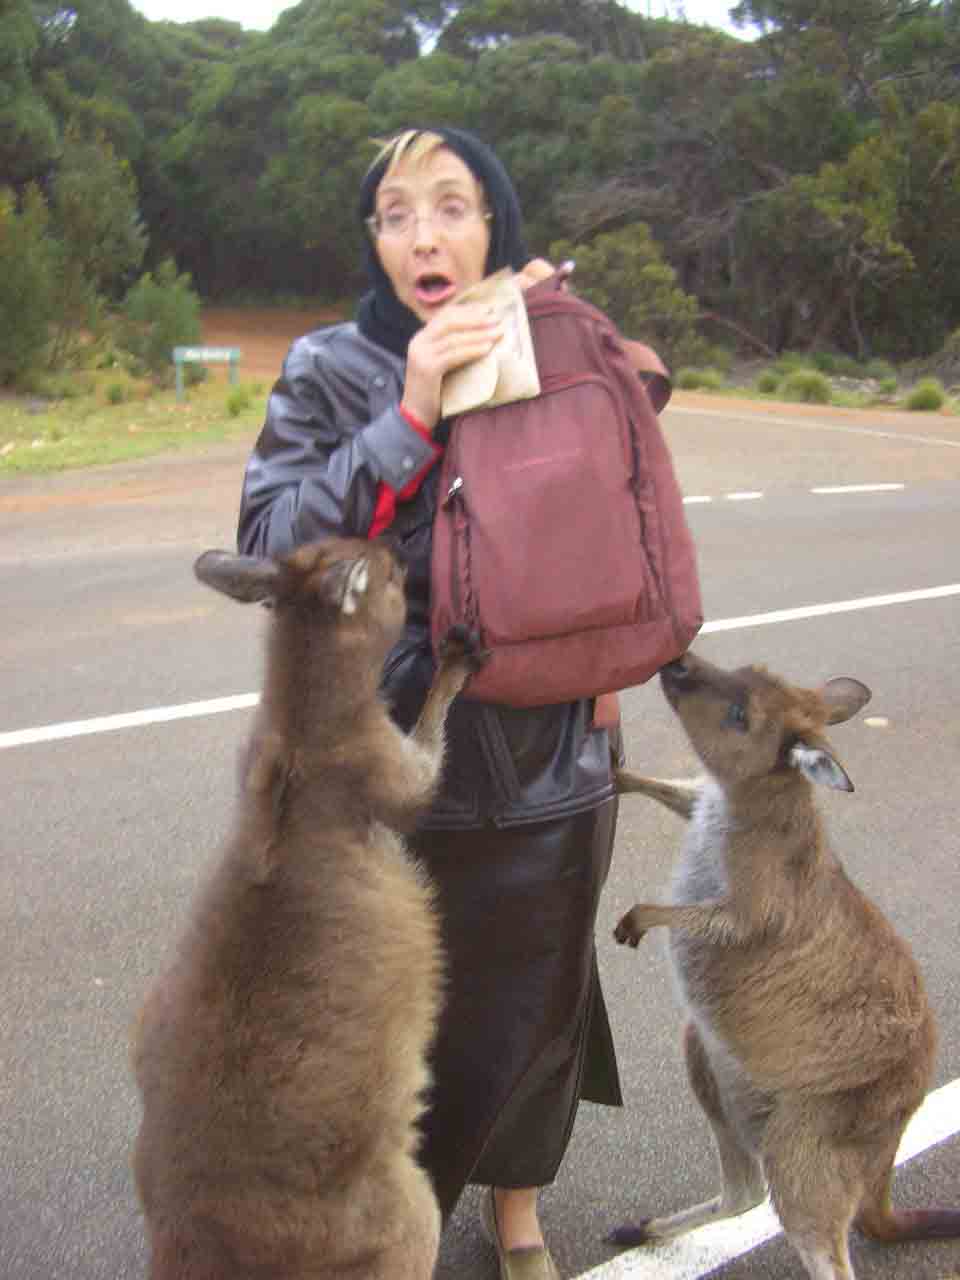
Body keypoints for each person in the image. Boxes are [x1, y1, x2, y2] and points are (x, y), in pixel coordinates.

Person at [237, 126, 622, 1280]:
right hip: (385, 745)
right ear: (375, 241)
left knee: (542, 995)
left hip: (553, 737)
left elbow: (608, 517)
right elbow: (267, 544)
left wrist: (570, 338)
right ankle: (374, 1214)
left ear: (495, 224)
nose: (425, 234)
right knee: (382, 1003)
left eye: (452, 206)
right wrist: (407, 412)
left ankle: (517, 1214)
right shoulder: (328, 366)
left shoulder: (549, 340)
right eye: (396, 212)